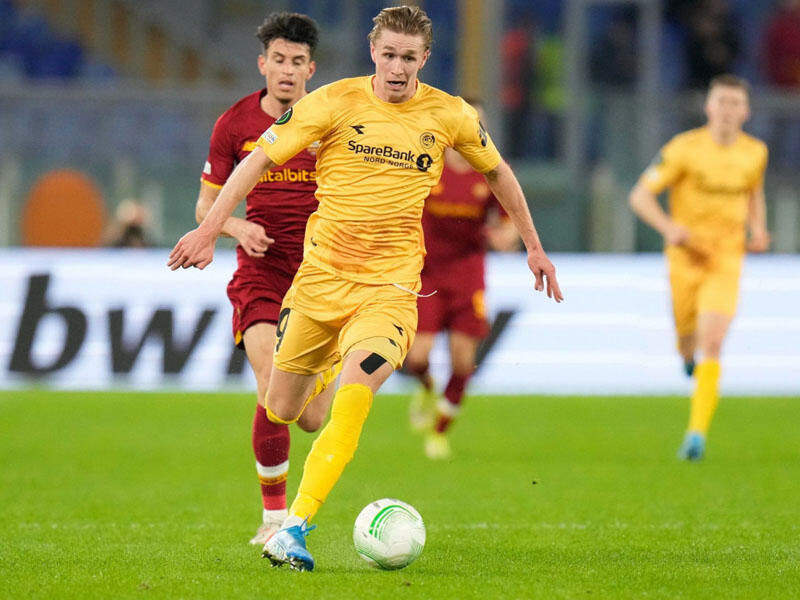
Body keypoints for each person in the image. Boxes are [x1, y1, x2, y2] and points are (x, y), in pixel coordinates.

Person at [168, 5, 562, 572]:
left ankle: (293, 527)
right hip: (318, 283)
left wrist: (533, 245)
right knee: (286, 408)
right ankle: (327, 365)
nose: (398, 68)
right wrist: (211, 229)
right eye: (389, 55)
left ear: (425, 58)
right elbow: (256, 162)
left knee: (352, 404)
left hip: (390, 289)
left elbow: (498, 171)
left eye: (409, 58)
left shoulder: (449, 113)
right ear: (373, 52)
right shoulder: (331, 102)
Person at [194, 12, 338, 547]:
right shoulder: (234, 124)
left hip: (320, 276)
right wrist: (236, 226)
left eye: (297, 62)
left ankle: (330, 365)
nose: (287, 70)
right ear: (263, 64)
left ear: (310, 69)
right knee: (271, 385)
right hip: (261, 272)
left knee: (311, 417)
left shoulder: (330, 120)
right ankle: (274, 520)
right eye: (279, 59)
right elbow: (205, 207)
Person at [629, 74, 770, 461]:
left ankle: (696, 433)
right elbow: (640, 196)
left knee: (713, 342)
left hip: (726, 257)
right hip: (686, 257)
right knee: (688, 340)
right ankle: (687, 357)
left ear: (746, 111)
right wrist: (668, 228)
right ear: (708, 107)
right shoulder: (684, 149)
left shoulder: (755, 152)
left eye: (734, 103)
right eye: (721, 102)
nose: (727, 110)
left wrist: (758, 228)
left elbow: (754, 192)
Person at [405, 101, 520, 460]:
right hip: (427, 273)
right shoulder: (427, 164)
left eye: (477, 121)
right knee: (416, 358)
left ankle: (439, 433)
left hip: (468, 276)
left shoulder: (491, 169)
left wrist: (506, 237)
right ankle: (427, 387)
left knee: (462, 362)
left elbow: (510, 220)